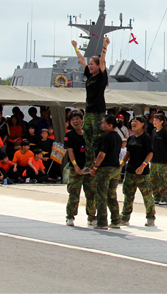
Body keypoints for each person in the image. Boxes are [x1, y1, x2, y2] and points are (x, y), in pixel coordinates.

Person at [72, 36, 110, 170]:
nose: (89, 66)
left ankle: (96, 163)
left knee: (96, 138)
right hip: (88, 111)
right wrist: (76, 47)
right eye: (89, 64)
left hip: (98, 112)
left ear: (97, 66)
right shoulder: (90, 76)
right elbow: (81, 60)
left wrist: (105, 46)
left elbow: (103, 61)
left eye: (92, 64)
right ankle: (88, 163)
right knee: (86, 136)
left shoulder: (101, 76)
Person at [120, 115, 156, 227]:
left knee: (147, 196)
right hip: (130, 171)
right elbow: (128, 154)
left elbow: (150, 153)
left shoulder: (146, 138)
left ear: (142, 124)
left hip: (142, 173)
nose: (133, 123)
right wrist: (121, 164)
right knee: (128, 195)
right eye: (132, 121)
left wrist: (143, 166)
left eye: (136, 121)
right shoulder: (131, 138)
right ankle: (124, 217)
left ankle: (150, 217)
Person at [90, 114, 123, 230]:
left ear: (110, 125)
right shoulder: (118, 137)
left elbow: (101, 155)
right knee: (112, 195)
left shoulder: (106, 137)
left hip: (105, 169)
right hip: (116, 168)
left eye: (103, 123)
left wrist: (95, 168)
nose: (102, 125)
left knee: (101, 196)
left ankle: (102, 222)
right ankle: (115, 220)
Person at [64, 109, 96, 227]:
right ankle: (70, 216)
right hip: (75, 169)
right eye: (72, 119)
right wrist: (76, 166)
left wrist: (93, 167)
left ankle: (92, 216)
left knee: (91, 193)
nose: (75, 121)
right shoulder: (69, 135)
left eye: (77, 119)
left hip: (89, 168)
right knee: (74, 192)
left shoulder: (88, 133)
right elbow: (70, 151)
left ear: (82, 120)